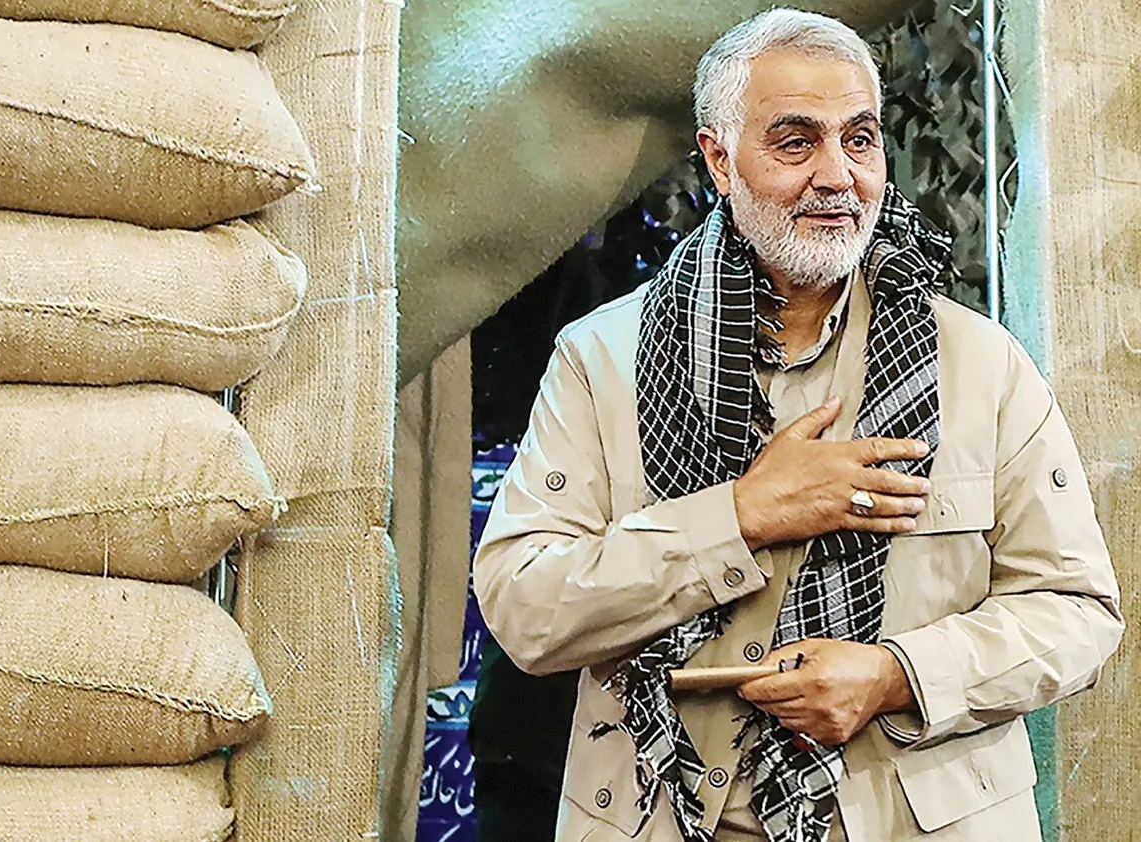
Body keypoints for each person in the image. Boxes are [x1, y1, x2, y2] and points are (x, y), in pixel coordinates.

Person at [472, 8, 1123, 842]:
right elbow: (525, 608)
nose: (838, 175)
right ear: (719, 159)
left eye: (860, 139)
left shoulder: (981, 364)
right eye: (795, 142)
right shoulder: (602, 360)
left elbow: (1076, 612)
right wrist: (740, 516)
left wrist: (897, 674)